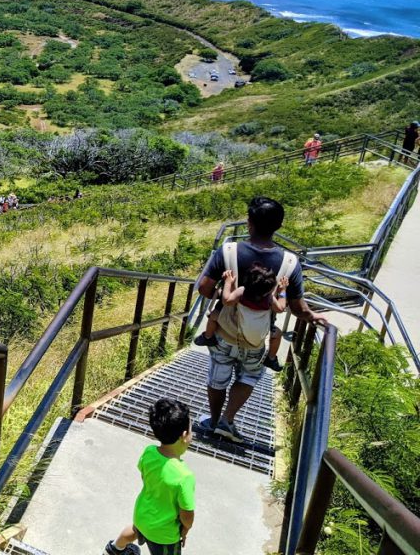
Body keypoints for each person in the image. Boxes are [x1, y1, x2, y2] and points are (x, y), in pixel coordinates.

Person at [194, 196, 326, 443]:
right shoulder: (289, 263)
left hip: (224, 333)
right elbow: (296, 307)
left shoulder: (229, 251)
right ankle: (227, 420)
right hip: (257, 338)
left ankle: (213, 421)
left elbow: (203, 287)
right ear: (278, 226)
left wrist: (225, 296)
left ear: (249, 222)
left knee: (218, 377)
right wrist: (312, 316)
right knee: (248, 377)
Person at [103, 398, 195, 555]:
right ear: (184, 435)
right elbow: (187, 514)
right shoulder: (184, 476)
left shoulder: (149, 452)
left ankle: (113, 550)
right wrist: (185, 529)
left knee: (133, 530)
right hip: (164, 534)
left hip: (142, 515)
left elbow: (145, 477)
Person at [194, 265, 288, 372]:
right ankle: (271, 358)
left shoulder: (242, 291)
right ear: (271, 288)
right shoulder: (269, 298)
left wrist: (228, 282)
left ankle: (208, 337)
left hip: (238, 326)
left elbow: (226, 300)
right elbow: (280, 308)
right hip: (260, 333)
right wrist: (282, 291)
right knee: (277, 334)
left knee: (213, 316)